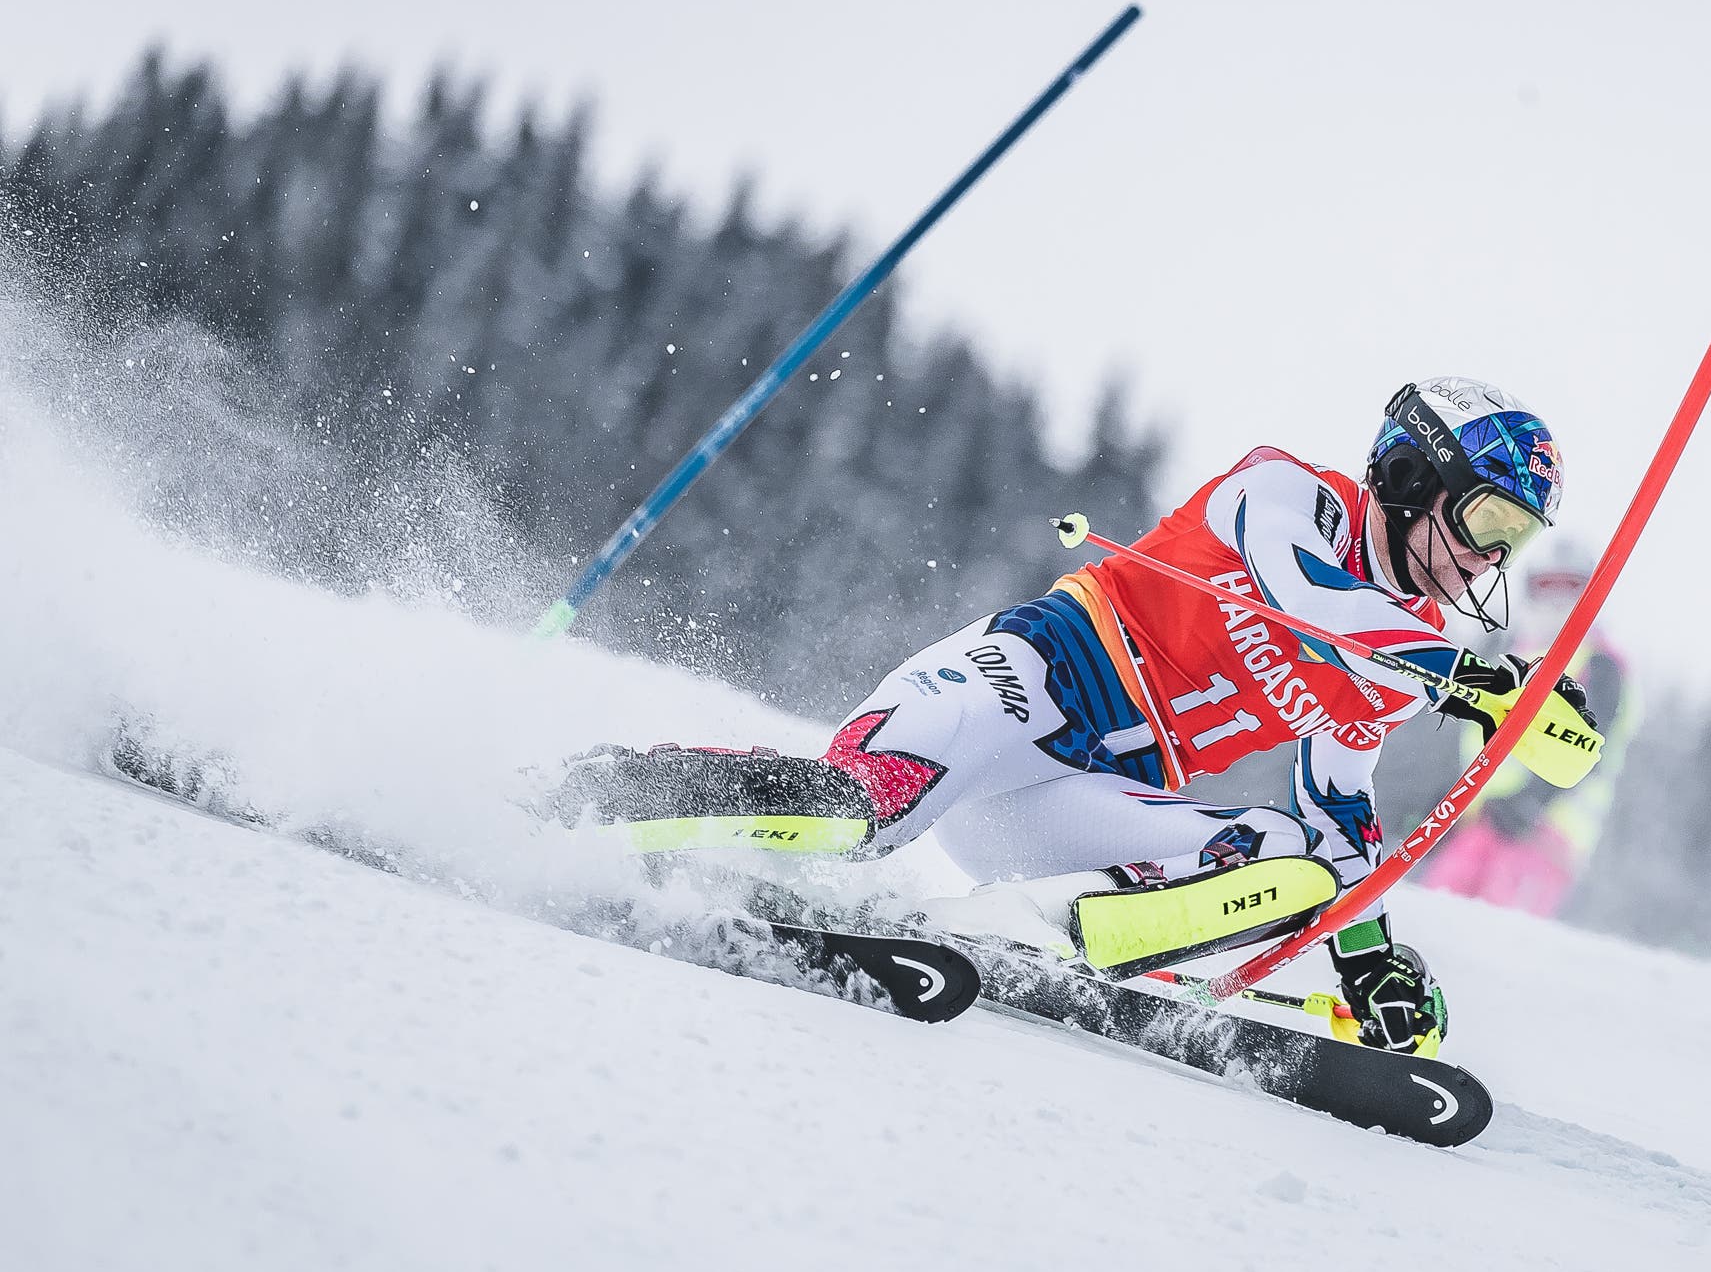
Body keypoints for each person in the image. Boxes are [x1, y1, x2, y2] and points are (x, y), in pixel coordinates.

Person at [552, 376, 1601, 1056]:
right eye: (1485, 519)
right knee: (855, 816)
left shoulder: (1393, 664)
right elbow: (1304, 599)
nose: (1487, 557)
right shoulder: (1282, 495)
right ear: (1413, 480)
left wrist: (1365, 956)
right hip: (1023, 686)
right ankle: (597, 797)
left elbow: (1339, 809)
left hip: (1072, 800)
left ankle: (1030, 934)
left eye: (1511, 537)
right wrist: (1476, 672)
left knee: (1300, 861)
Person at [1422, 546, 1637, 917]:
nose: (1555, 600)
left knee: (1496, 928)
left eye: (1568, 588)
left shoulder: (1599, 665)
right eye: (1546, 586)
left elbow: (1590, 747)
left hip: (1545, 832)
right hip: (1480, 821)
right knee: (1437, 912)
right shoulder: (1509, 657)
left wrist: (1530, 802)